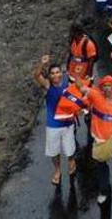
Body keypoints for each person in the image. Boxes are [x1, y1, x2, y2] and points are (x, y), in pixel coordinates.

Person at [80, 75, 112, 205]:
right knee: (101, 165)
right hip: (99, 138)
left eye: (110, 85)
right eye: (105, 86)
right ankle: (104, 191)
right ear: (101, 87)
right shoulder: (96, 96)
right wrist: (78, 77)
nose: (107, 88)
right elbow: (83, 90)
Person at [34, 55, 78, 186]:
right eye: (52, 73)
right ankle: (57, 170)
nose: (55, 75)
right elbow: (37, 76)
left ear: (61, 73)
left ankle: (71, 161)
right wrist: (42, 64)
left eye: (57, 72)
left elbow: (77, 97)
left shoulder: (68, 84)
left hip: (68, 123)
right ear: (50, 75)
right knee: (54, 151)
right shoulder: (48, 85)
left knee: (70, 149)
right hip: (53, 125)